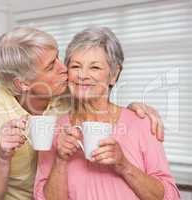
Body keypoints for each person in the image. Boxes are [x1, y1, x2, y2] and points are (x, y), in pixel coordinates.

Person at [0, 27, 165, 200]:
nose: (65, 69)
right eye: (51, 66)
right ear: (23, 83)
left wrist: (136, 109)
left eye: (59, 57)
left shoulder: (65, 89)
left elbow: (98, 89)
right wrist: (4, 157)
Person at [34, 27, 180, 200]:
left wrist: (123, 165)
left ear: (114, 74)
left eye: (94, 67)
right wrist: (60, 159)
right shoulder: (55, 129)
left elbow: (170, 197)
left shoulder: (141, 123)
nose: (83, 75)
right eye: (75, 66)